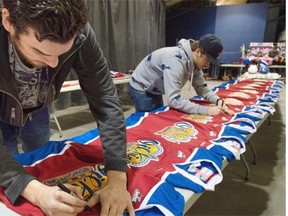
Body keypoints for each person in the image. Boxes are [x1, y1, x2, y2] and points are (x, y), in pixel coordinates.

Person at [0, 1, 134, 216]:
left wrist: (117, 177)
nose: (53, 63)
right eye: (39, 51)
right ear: (7, 20)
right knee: (9, 174)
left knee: (42, 159)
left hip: (38, 109)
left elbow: (106, 99)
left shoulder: (80, 33)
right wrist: (32, 190)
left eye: (62, 53)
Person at [129, 34, 234, 116]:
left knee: (157, 116)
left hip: (155, 88)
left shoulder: (195, 63)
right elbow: (174, 100)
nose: (208, 64)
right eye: (207, 60)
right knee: (148, 121)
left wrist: (217, 100)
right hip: (142, 87)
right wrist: (206, 110)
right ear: (198, 52)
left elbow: (202, 88)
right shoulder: (175, 60)